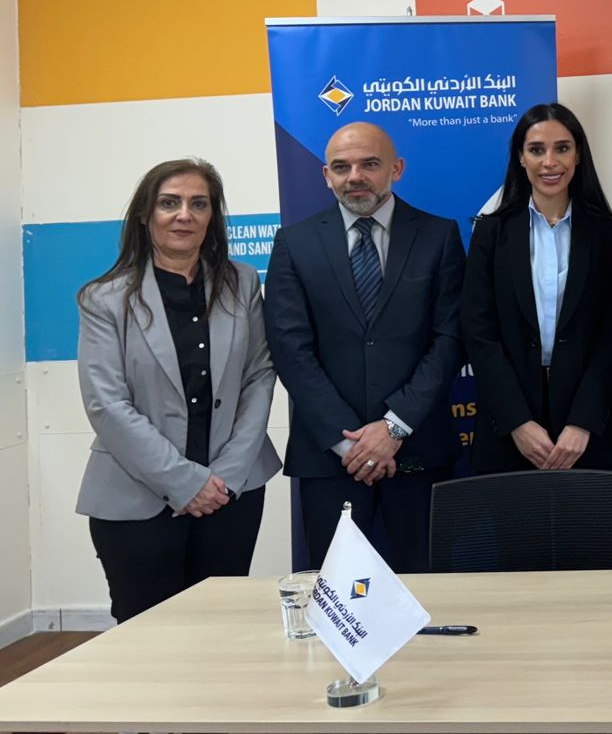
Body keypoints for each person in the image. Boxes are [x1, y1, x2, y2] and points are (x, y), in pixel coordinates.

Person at [76, 159, 279, 622]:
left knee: (221, 627)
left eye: (198, 204)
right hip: (136, 499)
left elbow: (259, 376)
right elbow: (106, 404)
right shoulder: (103, 298)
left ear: (212, 216)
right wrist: (186, 483)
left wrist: (224, 477)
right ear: (145, 215)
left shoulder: (243, 283)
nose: (184, 215)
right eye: (169, 203)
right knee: (148, 635)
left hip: (231, 494)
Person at [265, 121, 464, 573]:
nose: (355, 176)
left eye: (369, 164)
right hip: (330, 458)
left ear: (396, 168)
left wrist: (393, 428)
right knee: (338, 597)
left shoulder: (439, 236)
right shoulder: (294, 243)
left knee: (427, 591)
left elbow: (450, 340)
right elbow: (290, 349)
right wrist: (349, 443)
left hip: (417, 452)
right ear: (326, 176)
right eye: (341, 167)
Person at [462, 102, 612, 474]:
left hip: (587, 430)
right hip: (508, 428)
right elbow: (478, 332)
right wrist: (517, 422)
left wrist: (583, 422)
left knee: (588, 518)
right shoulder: (490, 232)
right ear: (521, 158)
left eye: (562, 148)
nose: (550, 162)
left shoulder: (610, 234)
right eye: (537, 150)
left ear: (578, 155)